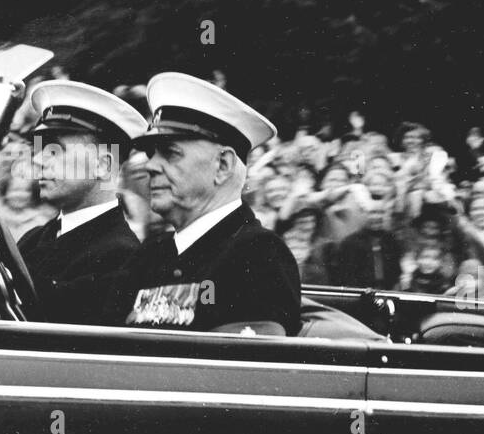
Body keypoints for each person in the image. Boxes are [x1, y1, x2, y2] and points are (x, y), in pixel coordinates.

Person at [103, 73, 301, 335]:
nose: (150, 166)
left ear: (223, 165)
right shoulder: (149, 255)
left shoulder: (259, 256)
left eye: (170, 153)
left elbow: (243, 373)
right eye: (151, 153)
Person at [18, 80, 147, 324]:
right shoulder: (34, 237)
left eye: (55, 150)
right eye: (40, 148)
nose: (39, 160)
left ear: (103, 165)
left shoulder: (120, 256)